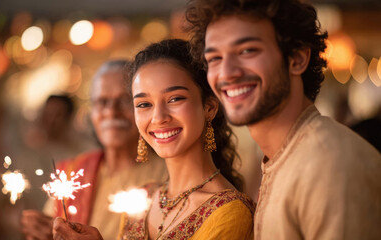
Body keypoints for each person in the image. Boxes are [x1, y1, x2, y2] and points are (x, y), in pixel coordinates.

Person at [185, 0, 381, 239]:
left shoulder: (329, 164)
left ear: (297, 58)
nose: (227, 73)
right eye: (215, 58)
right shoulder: (284, 158)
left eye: (247, 51)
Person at [52, 39, 255, 240]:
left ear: (209, 107)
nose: (158, 118)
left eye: (175, 99)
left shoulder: (230, 211)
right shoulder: (143, 199)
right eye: (143, 104)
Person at [21, 60, 167, 240]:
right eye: (102, 102)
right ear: (91, 112)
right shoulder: (75, 171)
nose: (111, 112)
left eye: (124, 101)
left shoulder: (168, 175)